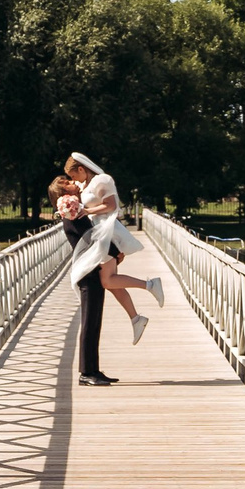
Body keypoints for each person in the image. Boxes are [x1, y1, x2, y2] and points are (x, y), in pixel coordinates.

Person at [58, 153, 162, 386]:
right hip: (88, 272)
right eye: (69, 183)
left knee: (95, 322)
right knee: (89, 323)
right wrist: (115, 252)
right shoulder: (73, 213)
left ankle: (94, 370)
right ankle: (87, 373)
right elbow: (91, 238)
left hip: (93, 269)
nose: (76, 184)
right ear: (64, 195)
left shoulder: (77, 209)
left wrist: (113, 253)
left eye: (73, 178)